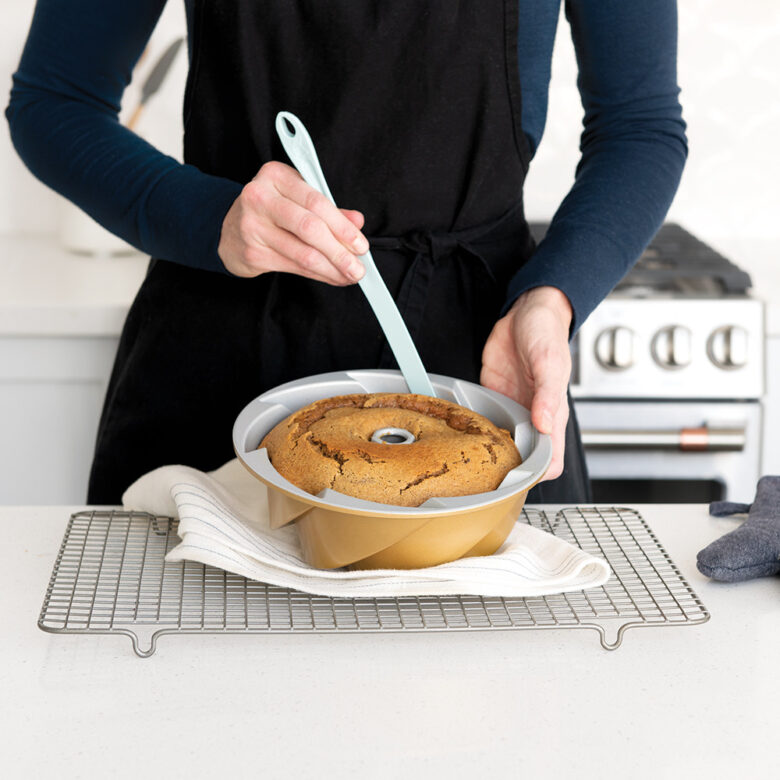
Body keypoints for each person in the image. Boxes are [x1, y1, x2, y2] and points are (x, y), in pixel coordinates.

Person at [6, 1, 687, 505]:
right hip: (215, 363)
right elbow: (54, 101)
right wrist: (209, 218)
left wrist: (553, 296)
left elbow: (640, 127)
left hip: (484, 373)